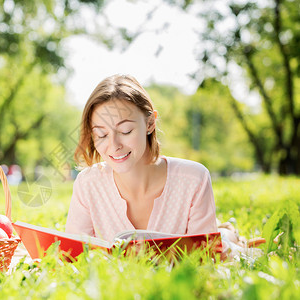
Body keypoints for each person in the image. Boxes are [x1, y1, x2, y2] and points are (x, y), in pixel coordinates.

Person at [65, 74, 218, 242]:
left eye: (125, 131)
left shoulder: (193, 179)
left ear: (150, 123)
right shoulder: (88, 184)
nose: (114, 145)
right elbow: (73, 255)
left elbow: (206, 255)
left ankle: (228, 234)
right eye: (101, 135)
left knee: (226, 242)